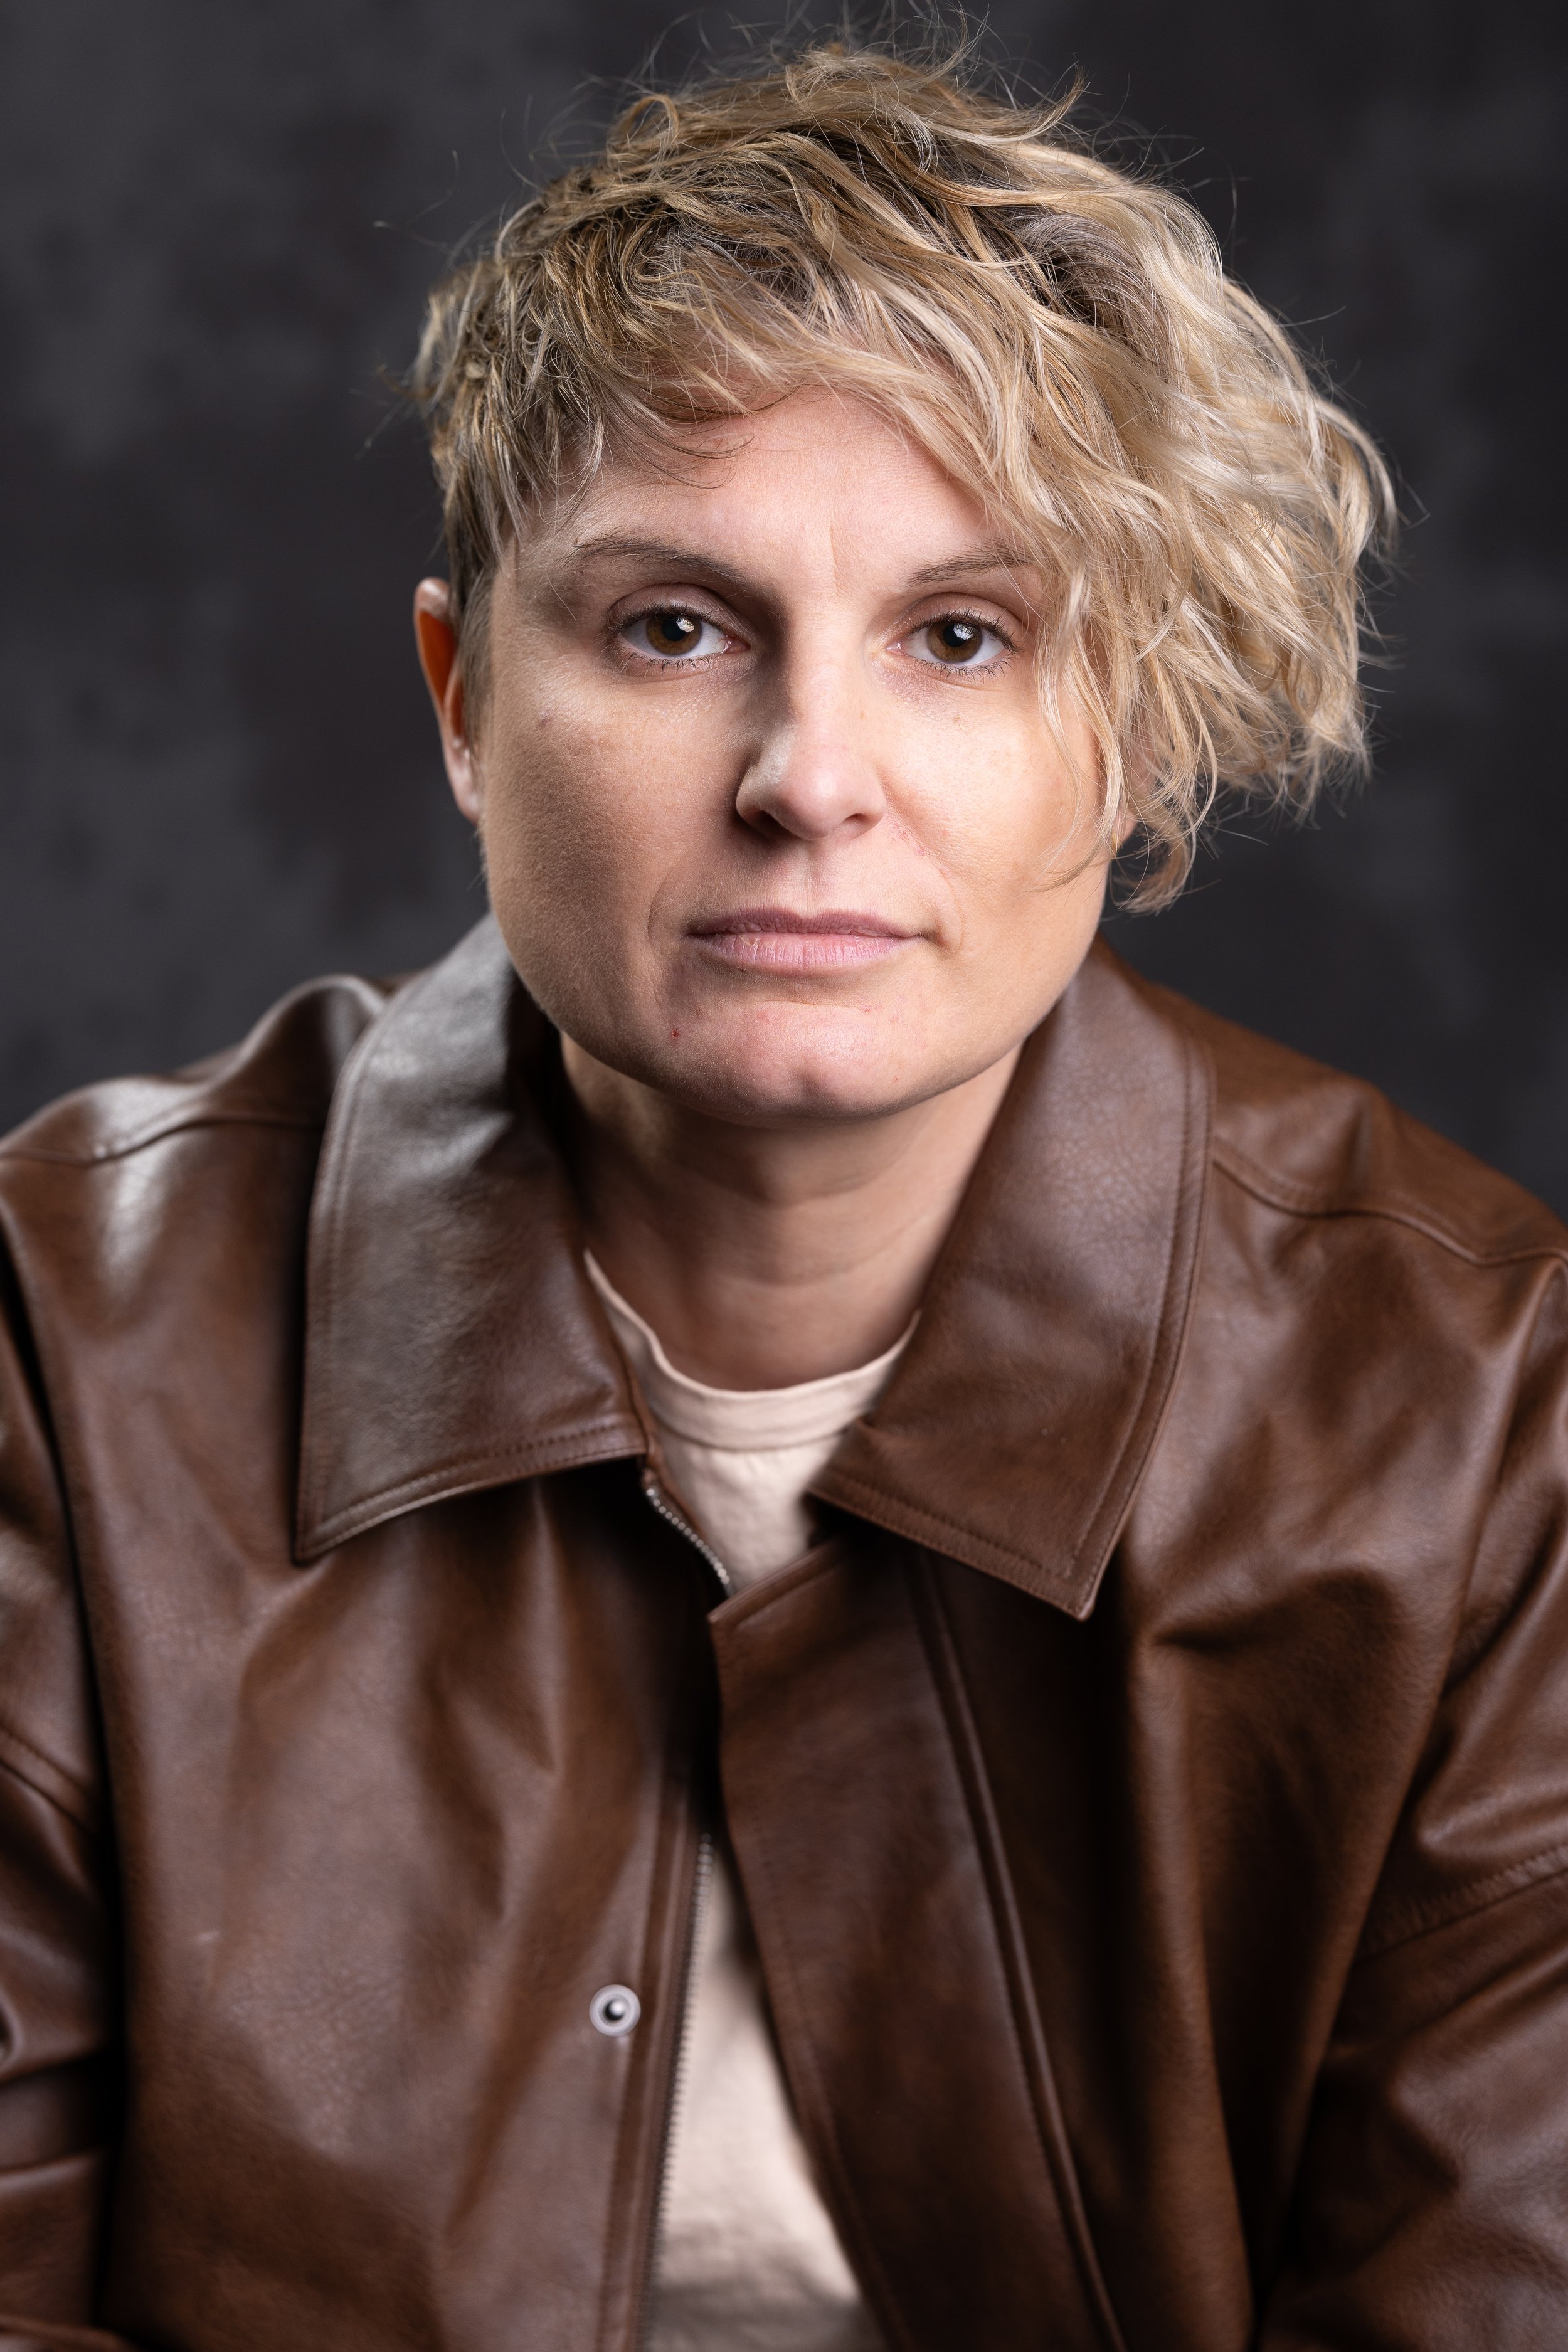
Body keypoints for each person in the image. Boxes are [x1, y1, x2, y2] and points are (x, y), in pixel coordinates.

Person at [1, 38, 1565, 2351]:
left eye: (958, 637)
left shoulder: (1469, 1407)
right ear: (459, 700)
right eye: (672, 626)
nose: (806, 778)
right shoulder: (60, 1332)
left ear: (1122, 731)